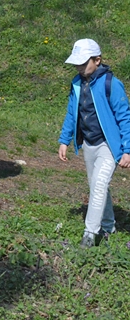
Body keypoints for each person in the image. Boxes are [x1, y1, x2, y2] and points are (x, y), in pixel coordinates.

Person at [57, 39, 130, 247]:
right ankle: (109, 227)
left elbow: (125, 117)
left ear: (97, 60)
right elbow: (72, 112)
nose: (79, 68)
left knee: (99, 185)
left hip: (108, 145)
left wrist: (128, 149)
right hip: (88, 143)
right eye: (76, 64)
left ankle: (89, 235)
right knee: (97, 186)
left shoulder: (111, 84)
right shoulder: (77, 83)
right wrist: (64, 139)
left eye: (83, 63)